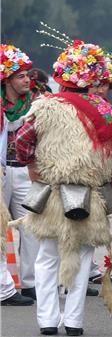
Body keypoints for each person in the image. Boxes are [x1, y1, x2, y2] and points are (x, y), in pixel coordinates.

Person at [16, 41, 112, 336]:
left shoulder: (46, 106)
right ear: (93, 77)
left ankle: (48, 322)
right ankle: (75, 322)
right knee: (84, 257)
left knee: (47, 257)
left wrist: (31, 164)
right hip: (93, 197)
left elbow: (23, 141)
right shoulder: (106, 110)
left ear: (63, 75)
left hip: (52, 194)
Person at [0, 44, 39, 301]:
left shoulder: (36, 104)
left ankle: (31, 283)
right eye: (21, 76)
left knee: (32, 228)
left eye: (28, 75)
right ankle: (4, 288)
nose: (27, 80)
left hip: (26, 171)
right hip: (1, 173)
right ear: (7, 80)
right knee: (0, 230)